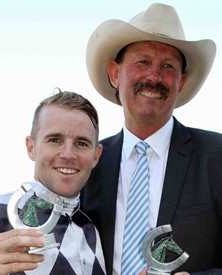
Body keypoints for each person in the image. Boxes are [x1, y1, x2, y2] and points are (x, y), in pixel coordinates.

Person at [81, 3, 222, 275]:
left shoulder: (216, 157)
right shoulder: (89, 164)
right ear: (114, 74)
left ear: (180, 83)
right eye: (143, 61)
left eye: (167, 66)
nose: (154, 76)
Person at [0, 90, 106, 275]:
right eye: (55, 140)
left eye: (82, 143)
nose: (68, 154)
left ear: (96, 156)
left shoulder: (92, 229)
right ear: (31, 147)